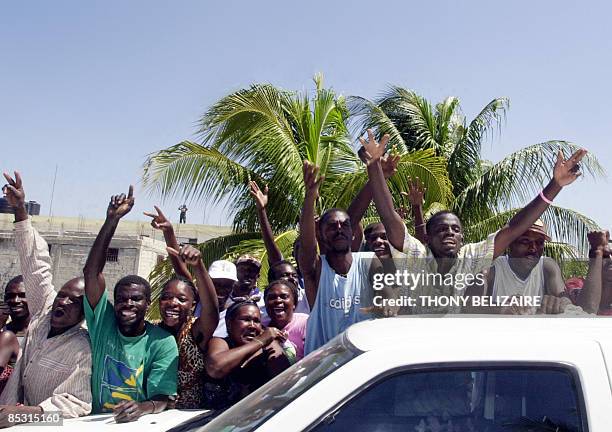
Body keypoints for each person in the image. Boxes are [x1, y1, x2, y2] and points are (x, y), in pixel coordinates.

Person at [360, 128, 587, 314]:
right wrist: (374, 167)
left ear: (462, 238)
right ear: (427, 237)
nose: (449, 233)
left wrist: (555, 185)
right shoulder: (416, 256)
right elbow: (390, 218)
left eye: (455, 229)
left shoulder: (471, 258)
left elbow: (514, 228)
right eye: (441, 229)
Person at [0, 171, 91, 425]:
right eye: (61, 295)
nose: (62, 302)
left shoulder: (82, 349)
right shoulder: (43, 312)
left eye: (73, 301)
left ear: (84, 312)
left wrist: (22, 415)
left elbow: (76, 404)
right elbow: (35, 263)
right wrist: (19, 210)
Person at [83, 186, 178, 422]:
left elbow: (163, 398)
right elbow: (92, 272)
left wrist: (143, 407)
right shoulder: (103, 323)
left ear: (148, 304)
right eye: (122, 298)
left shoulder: (162, 342)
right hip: (91, 422)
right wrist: (112, 220)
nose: (128, 304)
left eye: (136, 299)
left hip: (138, 425)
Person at [299, 161, 386, 355]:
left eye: (344, 225)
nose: (339, 229)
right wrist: (310, 197)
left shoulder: (369, 262)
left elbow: (389, 296)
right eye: (331, 226)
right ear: (320, 234)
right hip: (323, 371)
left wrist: (376, 173)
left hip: (362, 368)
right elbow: (306, 245)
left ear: (353, 233)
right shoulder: (317, 269)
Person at [157, 245, 219, 409]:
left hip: (189, 417)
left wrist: (198, 266)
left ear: (193, 305)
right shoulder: (152, 332)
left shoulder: (195, 330)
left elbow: (212, 310)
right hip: (152, 415)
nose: (172, 303)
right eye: (167, 297)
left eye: (181, 299)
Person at [204, 301, 290, 410]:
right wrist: (260, 341)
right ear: (229, 323)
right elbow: (216, 368)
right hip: (217, 420)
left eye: (257, 321)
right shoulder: (220, 342)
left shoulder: (265, 348)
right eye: (246, 319)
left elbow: (285, 380)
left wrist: (271, 341)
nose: (252, 326)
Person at [249, 181, 310, 314]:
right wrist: (262, 211)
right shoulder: (263, 307)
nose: (291, 278)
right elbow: (271, 246)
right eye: (285, 275)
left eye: (293, 275)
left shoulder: (308, 294)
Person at [263, 279, 308, 360]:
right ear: (265, 303)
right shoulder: (261, 328)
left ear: (294, 303)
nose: (278, 300)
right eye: (272, 297)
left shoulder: (306, 323)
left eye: (284, 297)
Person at [2, 276, 29, 343]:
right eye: (11, 296)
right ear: (5, 299)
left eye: (22, 295)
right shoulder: (2, 332)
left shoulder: (41, 332)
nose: (15, 300)